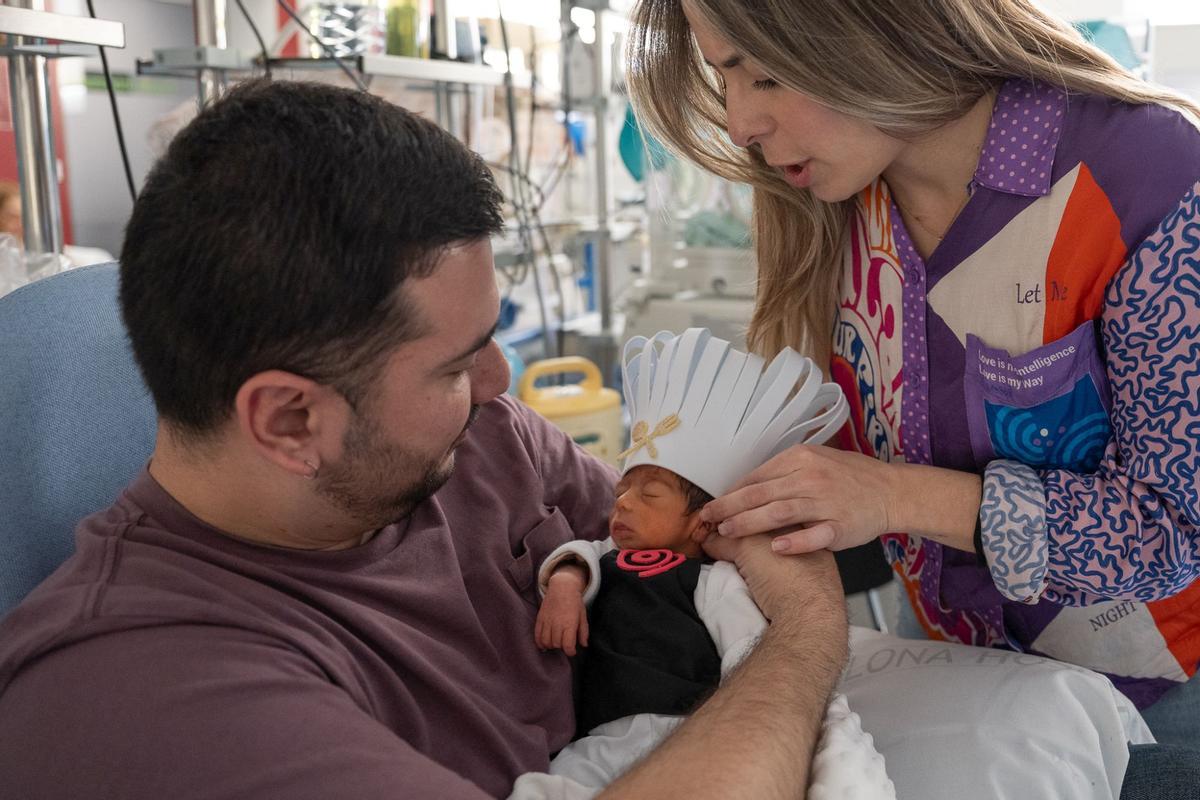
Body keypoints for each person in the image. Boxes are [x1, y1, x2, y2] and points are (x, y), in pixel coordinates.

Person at [0, 80, 849, 799]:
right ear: (291, 420)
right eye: (452, 366)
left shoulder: (477, 446)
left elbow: (669, 546)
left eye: (491, 336)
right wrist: (807, 630)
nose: (498, 384)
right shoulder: (154, 693)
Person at [625, 0, 1200, 793]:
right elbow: (856, 442)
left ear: (881, 30)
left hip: (1159, 686)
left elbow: (1171, 530)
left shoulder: (1148, 179)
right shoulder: (842, 201)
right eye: (724, 77)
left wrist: (892, 495)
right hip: (950, 662)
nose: (740, 123)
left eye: (765, 74)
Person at [523, 329, 891, 800]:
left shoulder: (713, 582)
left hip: (692, 725)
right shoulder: (605, 559)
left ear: (701, 524)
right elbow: (576, 557)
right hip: (603, 730)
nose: (624, 506)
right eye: (621, 495)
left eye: (649, 495)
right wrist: (565, 589)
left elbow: (749, 650)